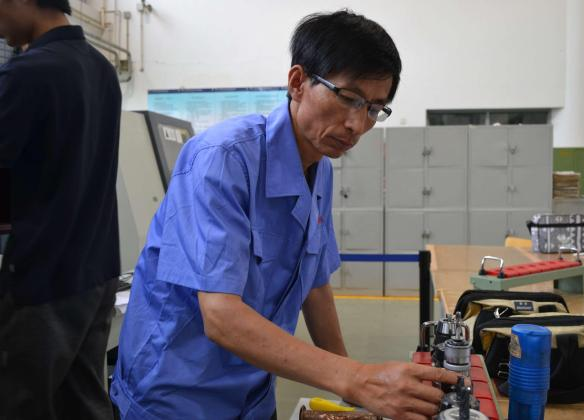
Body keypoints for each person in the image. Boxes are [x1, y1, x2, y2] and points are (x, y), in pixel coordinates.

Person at [111, 10, 457, 420]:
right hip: (176, 396)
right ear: (297, 82)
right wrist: (355, 378)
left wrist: (358, 394)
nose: (357, 124)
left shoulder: (320, 168)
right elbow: (220, 315)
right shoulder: (223, 159)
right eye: (349, 98)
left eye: (373, 108)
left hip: (253, 393)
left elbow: (314, 285)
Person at [0, 0, 122, 419]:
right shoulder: (102, 70)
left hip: (39, 282)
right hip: (95, 276)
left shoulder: (28, 73)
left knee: (18, 404)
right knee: (83, 403)